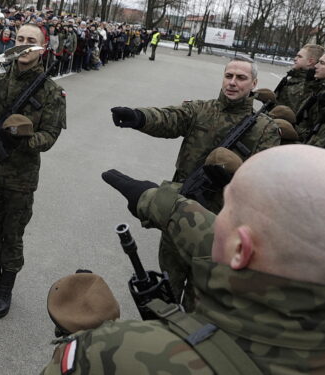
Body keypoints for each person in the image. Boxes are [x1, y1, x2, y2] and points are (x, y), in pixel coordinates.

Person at [41, 145, 325, 374]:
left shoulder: (114, 352)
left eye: (228, 210)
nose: (216, 218)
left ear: (241, 249)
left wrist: (78, 336)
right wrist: (155, 200)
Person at [109, 56, 280, 311]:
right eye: (229, 76)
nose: (233, 83)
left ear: (254, 83)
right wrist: (137, 117)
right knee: (167, 291)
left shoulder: (266, 129)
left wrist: (235, 175)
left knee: (201, 303)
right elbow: (169, 118)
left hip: (220, 227)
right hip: (181, 211)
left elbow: (265, 183)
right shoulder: (201, 109)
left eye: (241, 78)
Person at [0, 24, 67, 319]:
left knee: (12, 235)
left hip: (20, 178)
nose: (24, 45)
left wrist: (25, 140)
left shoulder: (51, 91)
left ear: (43, 47)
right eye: (20, 40)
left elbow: (50, 136)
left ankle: (4, 289)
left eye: (31, 42)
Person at [273, 44, 324, 114]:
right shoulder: (295, 78)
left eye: (299, 56)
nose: (295, 59)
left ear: (310, 61)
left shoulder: (309, 85)